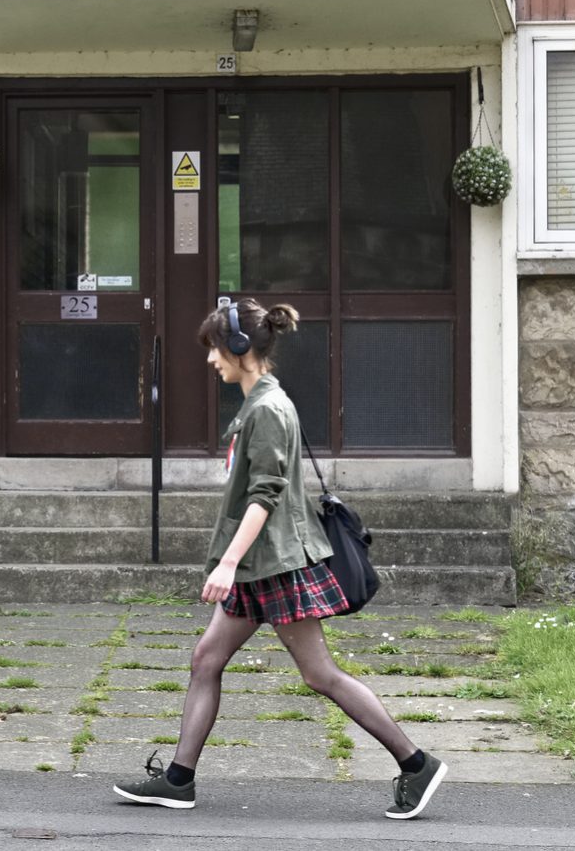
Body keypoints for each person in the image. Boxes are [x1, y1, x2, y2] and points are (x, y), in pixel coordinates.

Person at [111, 297, 448, 820]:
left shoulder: (268, 409)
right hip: (259, 567)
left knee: (320, 675)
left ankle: (416, 763)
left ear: (240, 348)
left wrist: (226, 563)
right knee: (206, 660)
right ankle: (178, 780)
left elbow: (263, 496)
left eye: (215, 349)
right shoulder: (260, 403)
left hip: (275, 566)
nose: (209, 360)